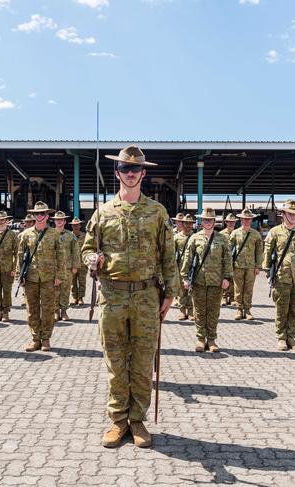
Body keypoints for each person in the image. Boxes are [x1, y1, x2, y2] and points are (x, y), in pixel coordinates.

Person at [82, 145, 178, 449]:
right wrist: (91, 259)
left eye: (135, 169)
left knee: (141, 360)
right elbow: (86, 248)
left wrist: (171, 293)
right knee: (114, 359)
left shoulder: (157, 212)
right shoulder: (103, 213)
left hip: (147, 295)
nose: (130, 173)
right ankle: (117, 420)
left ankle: (137, 420)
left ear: (143, 173)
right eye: (125, 168)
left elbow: (168, 256)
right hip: (112, 295)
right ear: (117, 172)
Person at [262, 199, 295, 352]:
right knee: (282, 309)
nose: (292, 217)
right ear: (282, 214)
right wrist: (268, 273)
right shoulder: (275, 232)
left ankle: (291, 336)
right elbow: (268, 253)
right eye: (289, 214)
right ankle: (281, 338)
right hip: (281, 277)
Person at [181, 208, 232, 353]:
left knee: (213, 311)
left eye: (210, 220)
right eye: (205, 220)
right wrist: (185, 277)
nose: (208, 222)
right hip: (199, 281)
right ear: (201, 221)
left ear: (214, 221)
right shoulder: (194, 238)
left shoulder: (222, 239)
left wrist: (227, 277)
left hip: (216, 282)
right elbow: (187, 258)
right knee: (199, 311)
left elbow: (228, 259)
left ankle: (212, 339)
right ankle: (200, 339)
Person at [16, 201, 66, 352]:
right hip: (30, 277)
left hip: (48, 278)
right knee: (32, 310)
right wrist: (19, 275)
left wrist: (59, 276)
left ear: (47, 216)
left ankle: (46, 339)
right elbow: (19, 256)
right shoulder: (25, 235)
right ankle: (35, 339)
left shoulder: (55, 234)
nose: (39, 216)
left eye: (42, 213)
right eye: (37, 213)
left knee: (48, 309)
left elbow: (61, 256)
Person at [229, 208, 263, 321]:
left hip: (250, 267)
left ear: (251, 220)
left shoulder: (256, 234)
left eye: (249, 219)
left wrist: (258, 266)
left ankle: (247, 310)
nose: (247, 221)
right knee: (238, 288)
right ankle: (239, 309)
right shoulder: (234, 233)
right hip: (237, 265)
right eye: (244, 219)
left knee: (248, 288)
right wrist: (229, 265)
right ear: (241, 219)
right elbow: (229, 251)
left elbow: (259, 251)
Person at [53, 211, 79, 321]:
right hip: (53, 268)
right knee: (54, 291)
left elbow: (75, 251)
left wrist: (75, 266)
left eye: (61, 220)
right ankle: (55, 312)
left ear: (64, 221)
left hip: (67, 268)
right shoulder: (50, 234)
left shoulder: (70, 235)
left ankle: (64, 312)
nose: (59, 221)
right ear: (54, 221)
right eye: (57, 220)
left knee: (65, 290)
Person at [173, 214, 195, 320]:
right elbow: (172, 254)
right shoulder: (176, 238)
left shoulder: (195, 237)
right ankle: (182, 311)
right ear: (183, 224)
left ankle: (191, 311)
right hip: (180, 268)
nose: (189, 225)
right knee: (181, 290)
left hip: (192, 268)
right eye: (186, 223)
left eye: (191, 223)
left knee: (191, 290)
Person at [220, 213, 237, 305]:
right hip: (224, 260)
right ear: (226, 222)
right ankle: (224, 297)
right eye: (229, 222)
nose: (231, 223)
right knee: (224, 278)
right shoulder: (221, 234)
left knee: (234, 279)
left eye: (233, 222)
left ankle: (233, 298)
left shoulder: (238, 233)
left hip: (236, 260)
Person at [70, 217, 87, 305]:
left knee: (82, 281)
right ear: (72, 226)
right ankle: (74, 297)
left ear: (80, 226)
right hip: (72, 263)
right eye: (74, 225)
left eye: (77, 225)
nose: (76, 226)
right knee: (72, 281)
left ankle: (80, 298)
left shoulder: (85, 236)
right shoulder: (69, 236)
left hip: (82, 263)